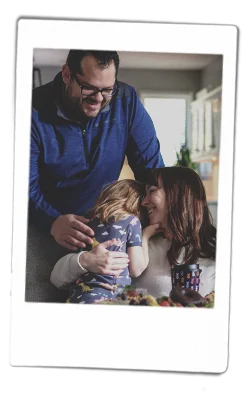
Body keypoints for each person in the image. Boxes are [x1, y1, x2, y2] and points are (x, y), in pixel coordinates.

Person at [30, 49, 164, 251]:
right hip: (46, 226)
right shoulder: (29, 109)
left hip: (104, 227)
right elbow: (20, 185)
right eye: (89, 88)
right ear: (67, 74)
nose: (99, 99)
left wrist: (165, 210)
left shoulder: (126, 100)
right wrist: (52, 221)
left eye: (108, 90)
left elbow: (152, 172)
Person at [50, 167, 216, 299]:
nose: (144, 202)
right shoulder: (136, 241)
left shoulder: (215, 251)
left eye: (152, 191)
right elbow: (57, 279)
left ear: (177, 195)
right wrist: (85, 260)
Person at [55, 179, 158, 304]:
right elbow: (136, 269)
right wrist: (146, 235)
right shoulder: (132, 221)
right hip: (108, 297)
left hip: (77, 295)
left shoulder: (87, 219)